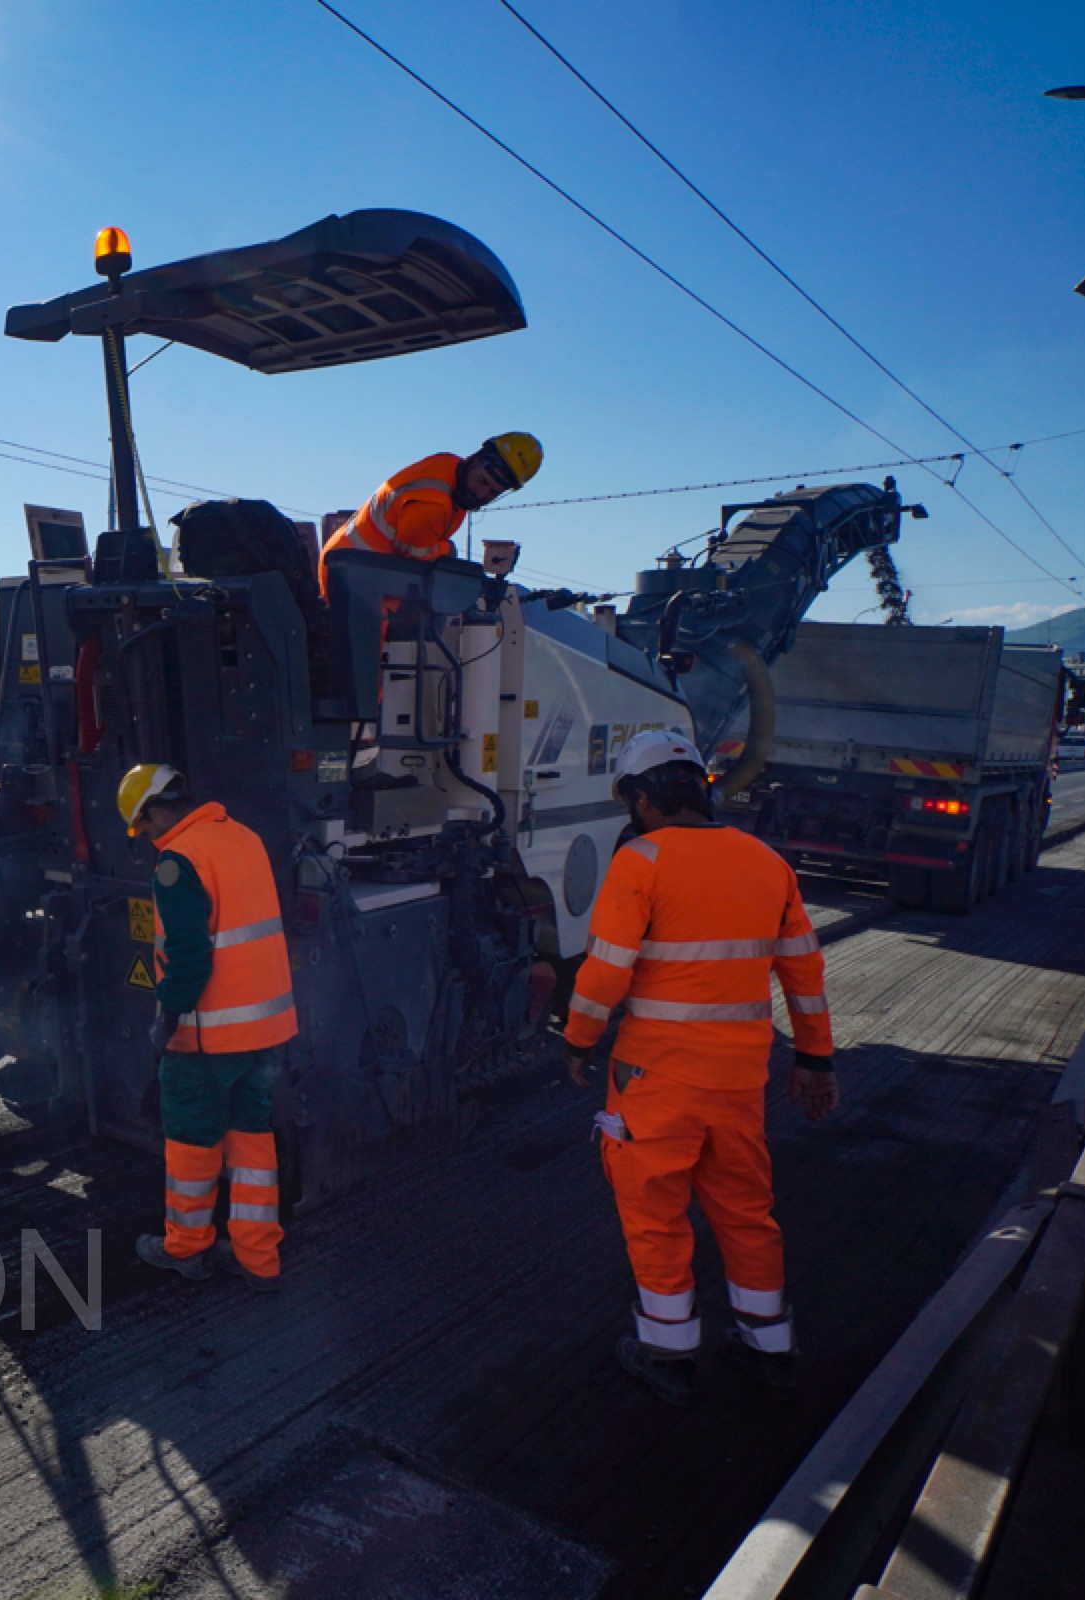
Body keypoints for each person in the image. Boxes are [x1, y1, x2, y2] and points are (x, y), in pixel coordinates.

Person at [563, 729, 837, 1407]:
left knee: (655, 1211)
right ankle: (768, 1345)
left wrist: (578, 1041)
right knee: (746, 1208)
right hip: (740, 1079)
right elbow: (805, 974)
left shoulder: (641, 860)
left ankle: (668, 1349)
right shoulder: (767, 862)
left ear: (645, 798)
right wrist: (814, 1058)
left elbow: (604, 972)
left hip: (655, 1077)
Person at [119, 763, 298, 1292]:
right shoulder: (243, 836)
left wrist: (166, 1016)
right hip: (263, 1030)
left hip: (206, 1036)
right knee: (251, 1146)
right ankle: (259, 1258)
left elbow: (190, 958)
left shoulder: (178, 862)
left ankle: (187, 1249)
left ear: (154, 810)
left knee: (193, 1146)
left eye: (141, 825)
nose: (145, 837)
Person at [317, 432, 543, 595]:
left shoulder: (450, 467)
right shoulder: (433, 503)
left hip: (358, 570)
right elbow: (417, 557)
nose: (480, 493)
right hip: (352, 583)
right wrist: (449, 551)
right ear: (475, 457)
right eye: (482, 481)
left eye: (492, 491)